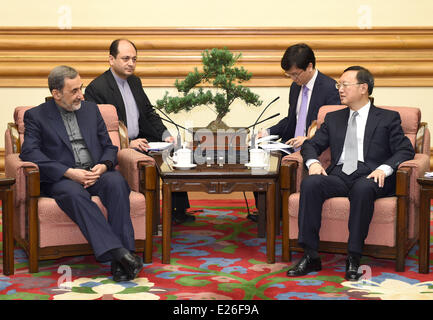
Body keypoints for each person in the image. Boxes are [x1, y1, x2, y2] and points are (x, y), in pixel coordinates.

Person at [286, 66, 415, 281]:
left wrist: (384, 168)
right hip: (339, 175)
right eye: (339, 85)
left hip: (370, 175)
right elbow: (311, 145)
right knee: (310, 184)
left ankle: (354, 257)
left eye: (345, 84)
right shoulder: (334, 118)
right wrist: (313, 163)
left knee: (363, 188)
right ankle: (311, 255)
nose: (340, 89)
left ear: (363, 88)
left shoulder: (387, 118)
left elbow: (405, 149)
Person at [20, 65, 143, 282]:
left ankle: (120, 259)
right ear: (56, 93)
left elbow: (109, 146)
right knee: (73, 194)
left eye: (81, 88)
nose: (81, 95)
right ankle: (121, 254)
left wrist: (104, 165)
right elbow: (29, 152)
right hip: (64, 179)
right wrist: (68, 172)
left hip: (96, 172)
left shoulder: (91, 109)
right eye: (74, 91)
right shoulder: (36, 116)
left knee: (116, 182)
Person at [84, 39, 194, 225]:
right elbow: (98, 129)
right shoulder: (97, 88)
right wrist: (126, 143)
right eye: (125, 58)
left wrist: (165, 134)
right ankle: (149, 215)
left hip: (143, 138)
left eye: (134, 59)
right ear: (111, 59)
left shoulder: (135, 82)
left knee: (176, 148)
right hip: (121, 145)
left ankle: (178, 209)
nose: (131, 63)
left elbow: (148, 113)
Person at [257, 43, 340, 149]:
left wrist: (308, 138)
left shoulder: (329, 88)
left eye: (295, 74)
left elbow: (331, 127)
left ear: (310, 67)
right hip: (291, 148)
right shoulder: (295, 87)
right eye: (289, 75)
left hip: (314, 150)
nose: (293, 78)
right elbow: (291, 121)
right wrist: (266, 133)